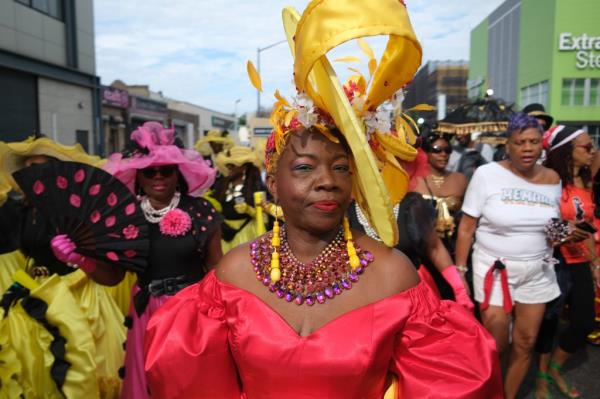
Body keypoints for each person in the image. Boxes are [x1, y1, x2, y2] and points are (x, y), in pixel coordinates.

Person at [145, 1, 502, 397]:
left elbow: (448, 385)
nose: (326, 182)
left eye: (341, 168)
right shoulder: (234, 273)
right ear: (273, 183)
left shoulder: (393, 274)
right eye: (304, 168)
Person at [100, 122, 223, 399]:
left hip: (191, 313)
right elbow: (113, 277)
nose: (158, 177)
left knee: (189, 383)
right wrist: (80, 258)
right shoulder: (126, 217)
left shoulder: (200, 210)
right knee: (149, 384)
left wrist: (216, 313)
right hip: (147, 313)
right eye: (149, 171)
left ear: (177, 172)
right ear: (138, 177)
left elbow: (216, 266)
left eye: (165, 170)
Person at [0, 135, 125, 397]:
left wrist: (77, 257)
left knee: (80, 367)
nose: (34, 172)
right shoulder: (26, 209)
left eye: (41, 166)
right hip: (36, 292)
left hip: (77, 295)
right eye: (29, 167)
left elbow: (103, 261)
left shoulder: (76, 209)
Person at [455, 113, 562, 399]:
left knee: (526, 342)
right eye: (520, 142)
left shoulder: (553, 179)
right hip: (494, 268)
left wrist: (564, 232)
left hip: (538, 271)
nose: (527, 148)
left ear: (542, 145)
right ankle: (483, 390)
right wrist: (460, 273)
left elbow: (551, 229)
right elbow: (466, 228)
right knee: (496, 340)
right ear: (508, 145)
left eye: (533, 142)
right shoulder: (487, 175)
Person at [534, 125, 599, 399]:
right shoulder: (549, 181)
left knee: (584, 322)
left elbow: (587, 228)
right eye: (586, 146)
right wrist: (566, 231)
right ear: (567, 152)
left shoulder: (586, 181)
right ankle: (540, 378)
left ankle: (555, 369)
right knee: (548, 323)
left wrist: (595, 264)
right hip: (555, 261)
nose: (592, 150)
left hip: (581, 260)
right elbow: (541, 225)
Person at [414, 132, 468, 254]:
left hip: (452, 247)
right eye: (437, 150)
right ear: (426, 151)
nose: (443, 154)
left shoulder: (460, 179)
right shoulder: (414, 180)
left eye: (447, 150)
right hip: (422, 248)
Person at [213, 146, 266, 253]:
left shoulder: (255, 186)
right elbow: (216, 206)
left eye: (232, 164)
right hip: (225, 234)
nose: (229, 167)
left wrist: (248, 210)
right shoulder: (222, 184)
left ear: (244, 167)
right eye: (228, 164)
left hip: (246, 235)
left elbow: (265, 217)